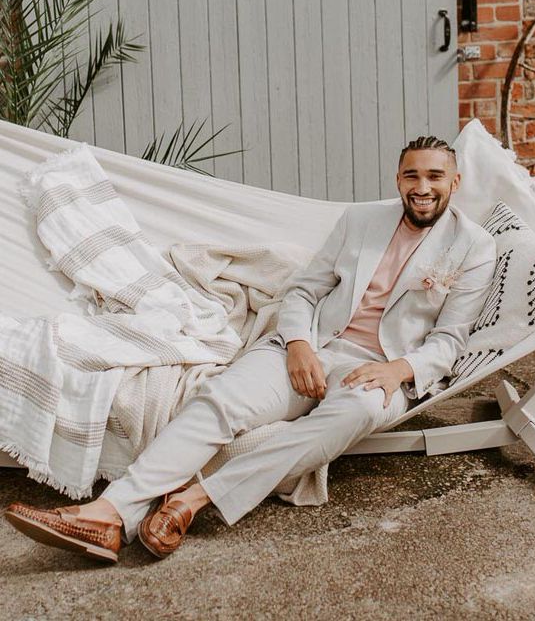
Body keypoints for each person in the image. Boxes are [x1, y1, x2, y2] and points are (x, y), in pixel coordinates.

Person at [4, 135, 495, 564]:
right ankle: (110, 513)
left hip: (379, 370)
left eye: (435, 176)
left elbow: (449, 341)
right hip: (313, 347)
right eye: (412, 174)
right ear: (398, 178)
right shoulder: (361, 219)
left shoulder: (474, 246)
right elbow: (304, 290)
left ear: (455, 182)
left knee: (352, 414)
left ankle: (192, 500)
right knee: (220, 400)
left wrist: (398, 371)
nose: (422, 186)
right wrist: (299, 343)